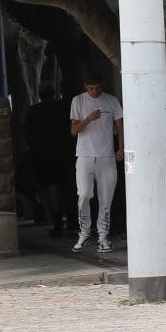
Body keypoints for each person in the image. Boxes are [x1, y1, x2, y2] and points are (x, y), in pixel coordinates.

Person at [69, 74, 124, 251]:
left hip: (106, 155)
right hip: (84, 155)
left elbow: (120, 128)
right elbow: (74, 130)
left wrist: (121, 148)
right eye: (91, 88)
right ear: (86, 87)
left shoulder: (111, 100)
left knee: (106, 198)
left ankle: (103, 236)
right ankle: (84, 232)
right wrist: (89, 119)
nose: (95, 91)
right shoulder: (78, 101)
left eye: (98, 88)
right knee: (84, 194)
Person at [23, 85, 73, 233]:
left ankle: (57, 221)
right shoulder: (63, 108)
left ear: (40, 95)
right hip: (64, 152)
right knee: (65, 186)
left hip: (43, 154)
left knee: (51, 187)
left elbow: (27, 134)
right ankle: (70, 216)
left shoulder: (34, 111)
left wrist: (33, 150)